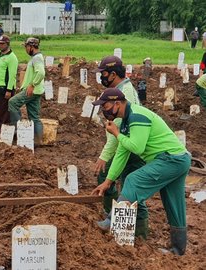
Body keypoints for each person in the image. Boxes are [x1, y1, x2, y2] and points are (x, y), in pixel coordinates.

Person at [91, 88, 190, 256]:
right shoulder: (125, 121)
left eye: (105, 106)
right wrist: (108, 181)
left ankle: (111, 221)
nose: (103, 111)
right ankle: (177, 249)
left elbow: (137, 147)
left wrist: (116, 133)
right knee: (173, 203)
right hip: (177, 160)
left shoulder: (137, 116)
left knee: (133, 180)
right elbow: (122, 153)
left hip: (171, 159)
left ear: (117, 104)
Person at [92, 55, 147, 237]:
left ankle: (138, 234)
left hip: (131, 148)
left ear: (113, 74)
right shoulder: (122, 89)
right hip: (127, 145)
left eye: (104, 73)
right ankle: (115, 218)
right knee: (125, 186)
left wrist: (104, 155)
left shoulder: (123, 94)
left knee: (132, 190)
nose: (102, 77)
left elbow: (117, 132)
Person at [8, 37, 45, 144]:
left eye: (26, 47)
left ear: (31, 47)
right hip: (35, 91)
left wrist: (32, 85)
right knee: (34, 117)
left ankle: (19, 131)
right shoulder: (37, 57)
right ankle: (38, 141)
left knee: (12, 102)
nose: (25, 49)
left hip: (32, 91)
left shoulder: (36, 58)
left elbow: (41, 73)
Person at [0, 35, 18, 130]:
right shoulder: (1, 56)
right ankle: (0, 130)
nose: (0, 45)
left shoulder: (12, 58)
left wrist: (9, 90)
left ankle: (5, 132)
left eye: (2, 44)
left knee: (4, 112)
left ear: (7, 44)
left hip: (4, 88)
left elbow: (12, 75)